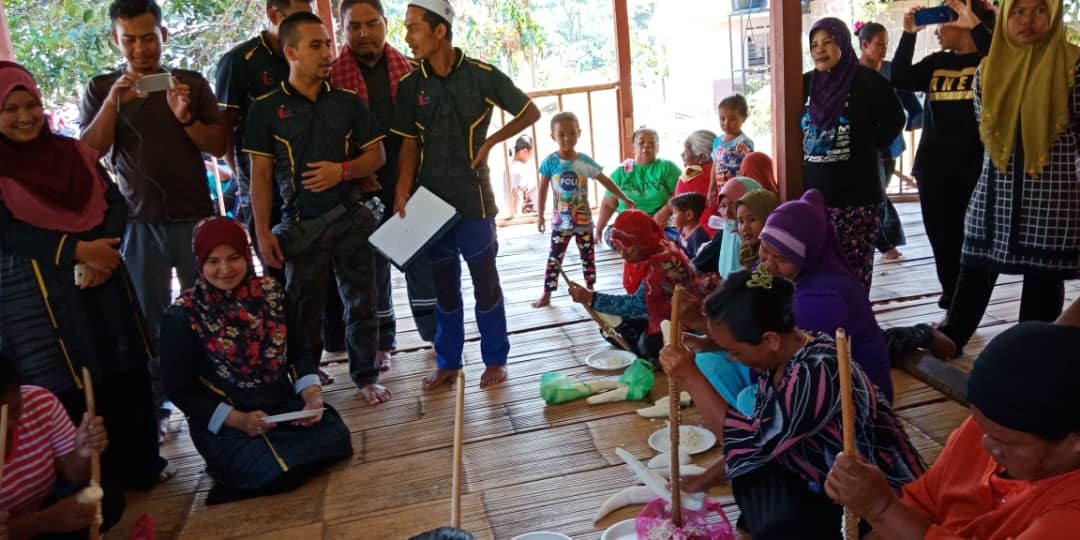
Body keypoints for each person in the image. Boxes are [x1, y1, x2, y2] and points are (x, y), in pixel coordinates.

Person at [0, 61, 167, 491]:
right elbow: (8, 230)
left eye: (31, 104)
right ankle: (92, 481)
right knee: (66, 382)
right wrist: (77, 250)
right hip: (38, 298)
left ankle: (141, 464)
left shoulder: (72, 153)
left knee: (122, 367)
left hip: (102, 281)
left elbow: (113, 201)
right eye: (10, 108)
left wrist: (104, 255)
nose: (24, 116)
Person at [659, 270, 925, 539]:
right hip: (820, 475)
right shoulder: (780, 357)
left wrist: (690, 378)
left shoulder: (818, 371)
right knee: (748, 477)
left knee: (775, 523)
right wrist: (703, 481)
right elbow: (755, 445)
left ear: (770, 340)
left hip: (883, 498)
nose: (731, 358)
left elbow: (748, 441)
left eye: (736, 351)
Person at [77, 0, 227, 435]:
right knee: (149, 316)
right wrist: (112, 102)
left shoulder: (191, 84)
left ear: (164, 35)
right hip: (138, 223)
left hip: (194, 217)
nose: (141, 48)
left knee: (210, 307)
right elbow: (89, 153)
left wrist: (185, 119)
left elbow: (217, 146)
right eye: (130, 40)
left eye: (148, 37)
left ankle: (217, 390)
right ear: (115, 40)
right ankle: (159, 406)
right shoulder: (102, 86)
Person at [391, 0, 541, 389]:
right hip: (430, 201)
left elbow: (529, 112)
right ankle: (449, 362)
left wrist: (491, 142)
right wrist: (403, 191)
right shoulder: (410, 85)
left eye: (413, 28)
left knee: (485, 279)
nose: (407, 36)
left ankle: (495, 358)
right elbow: (408, 144)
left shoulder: (481, 74)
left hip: (474, 197)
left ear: (439, 30)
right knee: (443, 284)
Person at [245, 12, 389, 403]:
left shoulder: (347, 102)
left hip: (349, 216)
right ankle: (306, 374)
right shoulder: (264, 109)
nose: (327, 53)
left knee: (362, 299)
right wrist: (260, 233)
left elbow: (376, 155)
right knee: (301, 305)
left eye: (327, 44)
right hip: (298, 224)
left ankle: (365, 376)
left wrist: (341, 171)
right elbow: (259, 176)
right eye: (316, 45)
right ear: (289, 51)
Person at [159, 218, 353, 504]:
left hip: (281, 408)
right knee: (274, 470)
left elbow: (298, 351)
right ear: (200, 263)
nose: (224, 270)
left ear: (246, 256)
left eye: (233, 257)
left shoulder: (271, 295)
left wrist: (311, 397)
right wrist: (239, 420)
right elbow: (180, 389)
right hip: (227, 420)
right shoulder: (183, 316)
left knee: (338, 439)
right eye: (213, 261)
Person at [826, 321, 1080, 539]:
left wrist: (881, 508)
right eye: (981, 427)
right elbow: (921, 506)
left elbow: (895, 516)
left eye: (1007, 443)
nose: (987, 446)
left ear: (1074, 443)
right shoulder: (981, 433)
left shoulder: (1071, 510)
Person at [937, 0, 1080, 356]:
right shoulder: (988, 69)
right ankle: (952, 336)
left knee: (1042, 277)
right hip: (994, 189)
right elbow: (984, 130)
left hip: (1051, 194)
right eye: (1017, 10)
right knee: (974, 261)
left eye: (1038, 10)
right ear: (1004, 16)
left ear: (1054, 14)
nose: (1027, 20)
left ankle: (1032, 353)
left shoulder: (1073, 66)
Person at [331, 0, 437, 368]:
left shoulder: (411, 69)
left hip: (412, 179)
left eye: (372, 24)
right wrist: (356, 172)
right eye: (354, 26)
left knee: (421, 262)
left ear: (385, 24)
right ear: (341, 28)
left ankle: (435, 337)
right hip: (360, 185)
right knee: (371, 268)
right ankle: (381, 343)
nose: (364, 33)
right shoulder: (332, 78)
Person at [891, 1, 995, 311]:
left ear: (963, 20)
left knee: (973, 243)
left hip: (975, 171)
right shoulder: (936, 63)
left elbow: (1004, 62)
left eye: (943, 21)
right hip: (934, 170)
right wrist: (909, 34)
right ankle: (953, 304)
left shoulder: (989, 61)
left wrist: (973, 21)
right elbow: (900, 77)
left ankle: (965, 307)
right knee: (942, 240)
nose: (937, 30)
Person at [757, 190, 895, 400]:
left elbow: (770, 354)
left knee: (748, 388)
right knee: (715, 361)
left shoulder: (823, 295)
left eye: (780, 259)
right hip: (817, 378)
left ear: (805, 256)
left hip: (857, 407)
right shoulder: (797, 268)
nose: (767, 265)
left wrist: (707, 326)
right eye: (764, 249)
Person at [802, 17, 905, 289]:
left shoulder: (865, 80)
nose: (819, 50)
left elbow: (895, 118)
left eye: (827, 42)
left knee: (853, 273)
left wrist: (867, 144)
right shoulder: (806, 84)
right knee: (818, 270)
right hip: (815, 198)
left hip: (856, 197)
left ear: (844, 44)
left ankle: (855, 329)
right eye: (814, 44)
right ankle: (825, 329)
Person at [215, 0, 313, 269]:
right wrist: (246, 180)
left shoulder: (309, 58)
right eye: (300, 17)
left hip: (309, 190)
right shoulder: (239, 61)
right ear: (273, 14)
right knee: (279, 277)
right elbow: (223, 132)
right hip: (263, 190)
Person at [567, 210, 715, 361]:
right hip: (677, 316)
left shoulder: (658, 267)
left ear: (640, 240)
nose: (623, 254)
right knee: (608, 328)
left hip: (690, 326)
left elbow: (636, 305)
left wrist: (592, 298)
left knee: (646, 344)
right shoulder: (663, 245)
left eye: (627, 247)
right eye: (619, 249)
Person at [0, 359, 115, 539]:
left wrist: (82, 453)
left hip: (40, 508)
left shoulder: (39, 401)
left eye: (15, 410)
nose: (8, 426)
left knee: (104, 498)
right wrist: (44, 520)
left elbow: (74, 475)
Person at [532, 112, 634, 309]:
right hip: (561, 223)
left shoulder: (584, 161)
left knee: (588, 256)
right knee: (555, 257)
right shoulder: (550, 162)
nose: (567, 138)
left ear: (579, 133)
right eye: (561, 134)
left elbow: (605, 180)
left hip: (583, 222)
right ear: (553, 136)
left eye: (571, 133)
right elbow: (543, 189)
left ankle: (590, 289)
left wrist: (623, 197)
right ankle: (547, 293)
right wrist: (540, 216)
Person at [857, 21, 908, 262]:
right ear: (864, 45)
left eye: (885, 44)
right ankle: (886, 244)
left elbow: (906, 110)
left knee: (880, 194)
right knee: (875, 196)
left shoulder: (889, 72)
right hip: (866, 147)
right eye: (879, 44)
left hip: (889, 146)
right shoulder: (853, 76)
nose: (883, 49)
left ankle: (886, 241)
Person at [595, 128, 682, 236]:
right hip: (628, 225)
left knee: (670, 236)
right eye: (641, 142)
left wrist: (666, 210)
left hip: (659, 223)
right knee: (613, 236)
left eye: (651, 142)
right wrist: (598, 230)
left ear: (658, 147)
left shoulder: (667, 168)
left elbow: (681, 195)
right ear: (634, 147)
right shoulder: (620, 172)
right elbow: (608, 205)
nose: (646, 145)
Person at [652, 129, 717, 234]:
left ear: (702, 157)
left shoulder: (690, 175)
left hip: (697, 237)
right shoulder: (726, 171)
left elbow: (679, 220)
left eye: (686, 150)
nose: (682, 154)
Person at [708, 94, 754, 208]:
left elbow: (748, 166)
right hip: (722, 190)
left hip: (739, 190)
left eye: (733, 118)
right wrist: (711, 188)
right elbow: (715, 164)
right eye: (722, 119)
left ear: (743, 118)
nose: (726, 123)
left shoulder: (743, 142)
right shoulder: (717, 141)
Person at [715, 177, 763, 280]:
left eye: (734, 206)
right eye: (722, 206)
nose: (727, 213)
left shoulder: (767, 251)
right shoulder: (726, 233)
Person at [735, 189, 779, 270]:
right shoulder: (746, 252)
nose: (744, 227)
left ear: (768, 218)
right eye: (740, 221)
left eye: (752, 220)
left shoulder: (779, 259)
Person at [669, 192, 710, 259]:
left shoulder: (698, 236)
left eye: (675, 213)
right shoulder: (682, 228)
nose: (672, 216)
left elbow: (701, 260)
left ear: (689, 215)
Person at [508, 134, 537, 216]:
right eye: (533, 152)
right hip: (526, 221)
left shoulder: (509, 168)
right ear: (525, 151)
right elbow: (518, 195)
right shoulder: (519, 169)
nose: (533, 156)